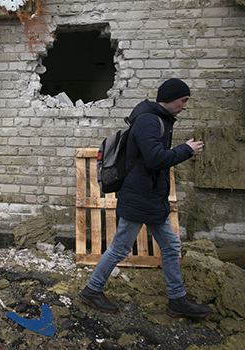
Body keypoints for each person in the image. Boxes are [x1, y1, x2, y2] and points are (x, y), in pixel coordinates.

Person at [79, 78, 212, 318]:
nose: (184, 106)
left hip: (150, 198)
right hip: (140, 198)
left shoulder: (159, 120)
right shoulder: (150, 121)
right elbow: (155, 159)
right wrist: (186, 150)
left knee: (171, 246)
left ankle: (177, 300)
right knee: (120, 248)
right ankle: (92, 290)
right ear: (171, 98)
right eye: (183, 101)